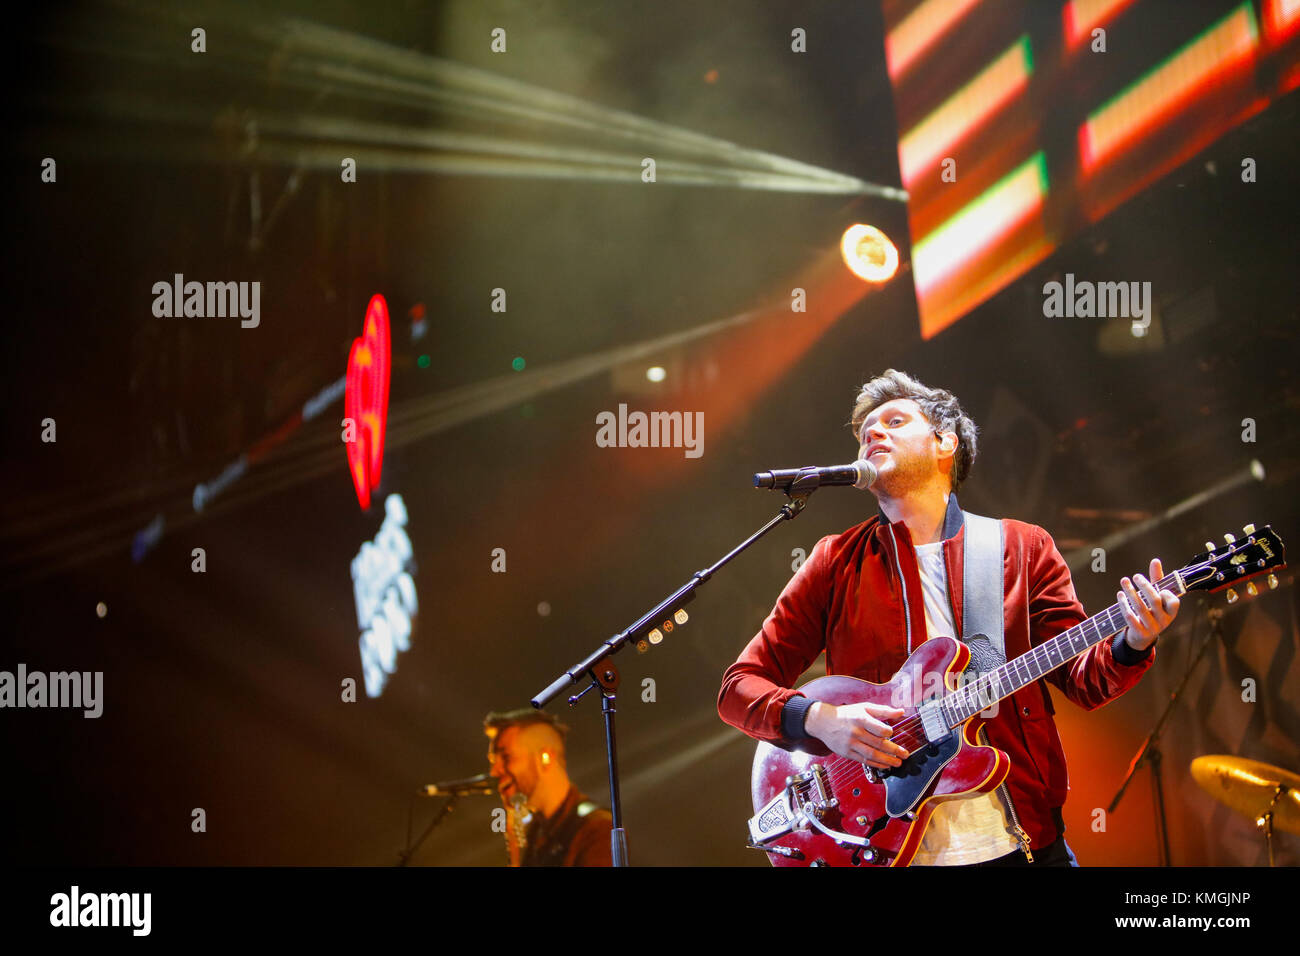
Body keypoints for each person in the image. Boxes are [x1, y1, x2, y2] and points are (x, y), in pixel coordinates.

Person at [718, 370, 1180, 865]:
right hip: (885, 844)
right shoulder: (835, 560)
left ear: (945, 443)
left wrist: (1133, 641)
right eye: (863, 431)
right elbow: (739, 689)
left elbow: (1085, 681)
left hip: (1018, 839)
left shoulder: (1020, 547)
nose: (872, 433)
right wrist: (821, 720)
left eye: (894, 421)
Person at [484, 709, 613, 867]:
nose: (494, 771)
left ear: (545, 758)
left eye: (506, 757)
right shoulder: (535, 832)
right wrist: (514, 847)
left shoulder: (597, 830)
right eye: (493, 760)